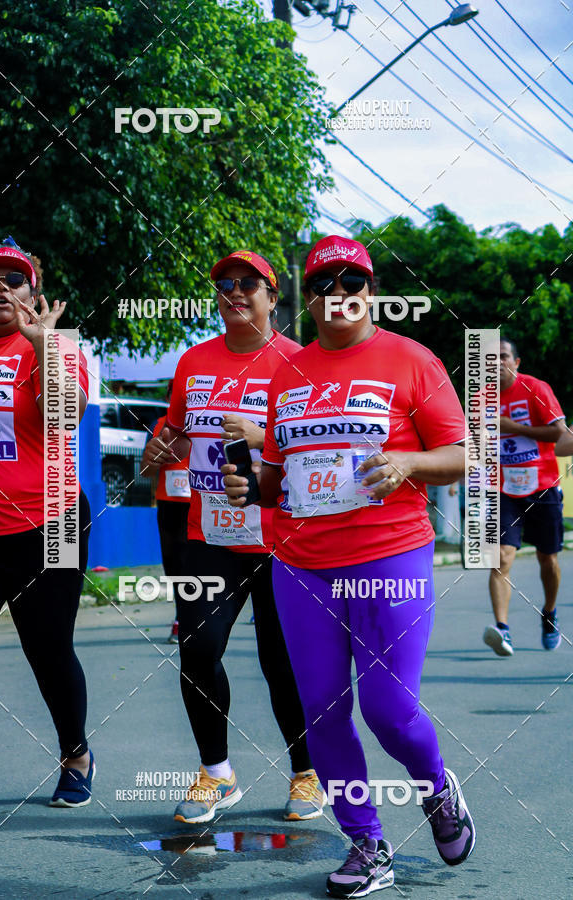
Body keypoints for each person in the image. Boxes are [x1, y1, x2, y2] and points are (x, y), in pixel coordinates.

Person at [223, 235, 475, 897]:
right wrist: (256, 488)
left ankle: (437, 788)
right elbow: (279, 473)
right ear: (307, 298)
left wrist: (409, 464)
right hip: (302, 565)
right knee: (323, 712)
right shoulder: (289, 372)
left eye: (352, 285)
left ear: (371, 292)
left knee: (389, 710)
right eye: (325, 286)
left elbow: (462, 454)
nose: (339, 297)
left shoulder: (411, 359)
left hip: (391, 556)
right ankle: (365, 842)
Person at [142, 249, 325, 824]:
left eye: (250, 283)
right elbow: (175, 429)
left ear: (274, 296)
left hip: (281, 538)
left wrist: (263, 431)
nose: (236, 292)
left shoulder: (302, 363)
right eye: (224, 284)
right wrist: (160, 449)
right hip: (210, 533)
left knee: (282, 661)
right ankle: (217, 774)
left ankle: (306, 773)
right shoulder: (194, 361)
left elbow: (323, 448)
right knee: (197, 649)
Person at [0, 236, 94, 806]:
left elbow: (64, 416)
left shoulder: (59, 346)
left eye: (15, 278)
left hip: (54, 523)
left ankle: (76, 752)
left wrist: (43, 345)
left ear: (33, 293)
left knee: (48, 648)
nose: (3, 284)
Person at [483, 338, 566, 656]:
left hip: (541, 485)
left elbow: (559, 433)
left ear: (516, 362)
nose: (497, 363)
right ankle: (502, 630)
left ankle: (549, 612)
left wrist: (513, 427)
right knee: (501, 556)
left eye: (503, 357)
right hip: (502, 489)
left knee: (549, 559)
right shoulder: (480, 398)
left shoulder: (535, 388)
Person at [141, 379, 191, 644]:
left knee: (196, 563)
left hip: (201, 506)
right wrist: (154, 458)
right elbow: (145, 471)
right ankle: (182, 614)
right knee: (174, 564)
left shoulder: (209, 423)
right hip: (169, 505)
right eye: (175, 396)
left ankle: (187, 619)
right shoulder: (160, 424)